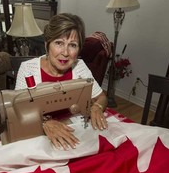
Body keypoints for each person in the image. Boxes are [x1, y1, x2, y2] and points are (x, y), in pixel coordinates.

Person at [15, 13, 108, 150]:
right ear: (47, 45)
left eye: (72, 45)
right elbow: (19, 113)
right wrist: (45, 123)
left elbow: (101, 98)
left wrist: (97, 107)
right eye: (59, 43)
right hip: (39, 139)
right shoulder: (28, 69)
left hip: (73, 135)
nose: (65, 52)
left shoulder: (80, 67)